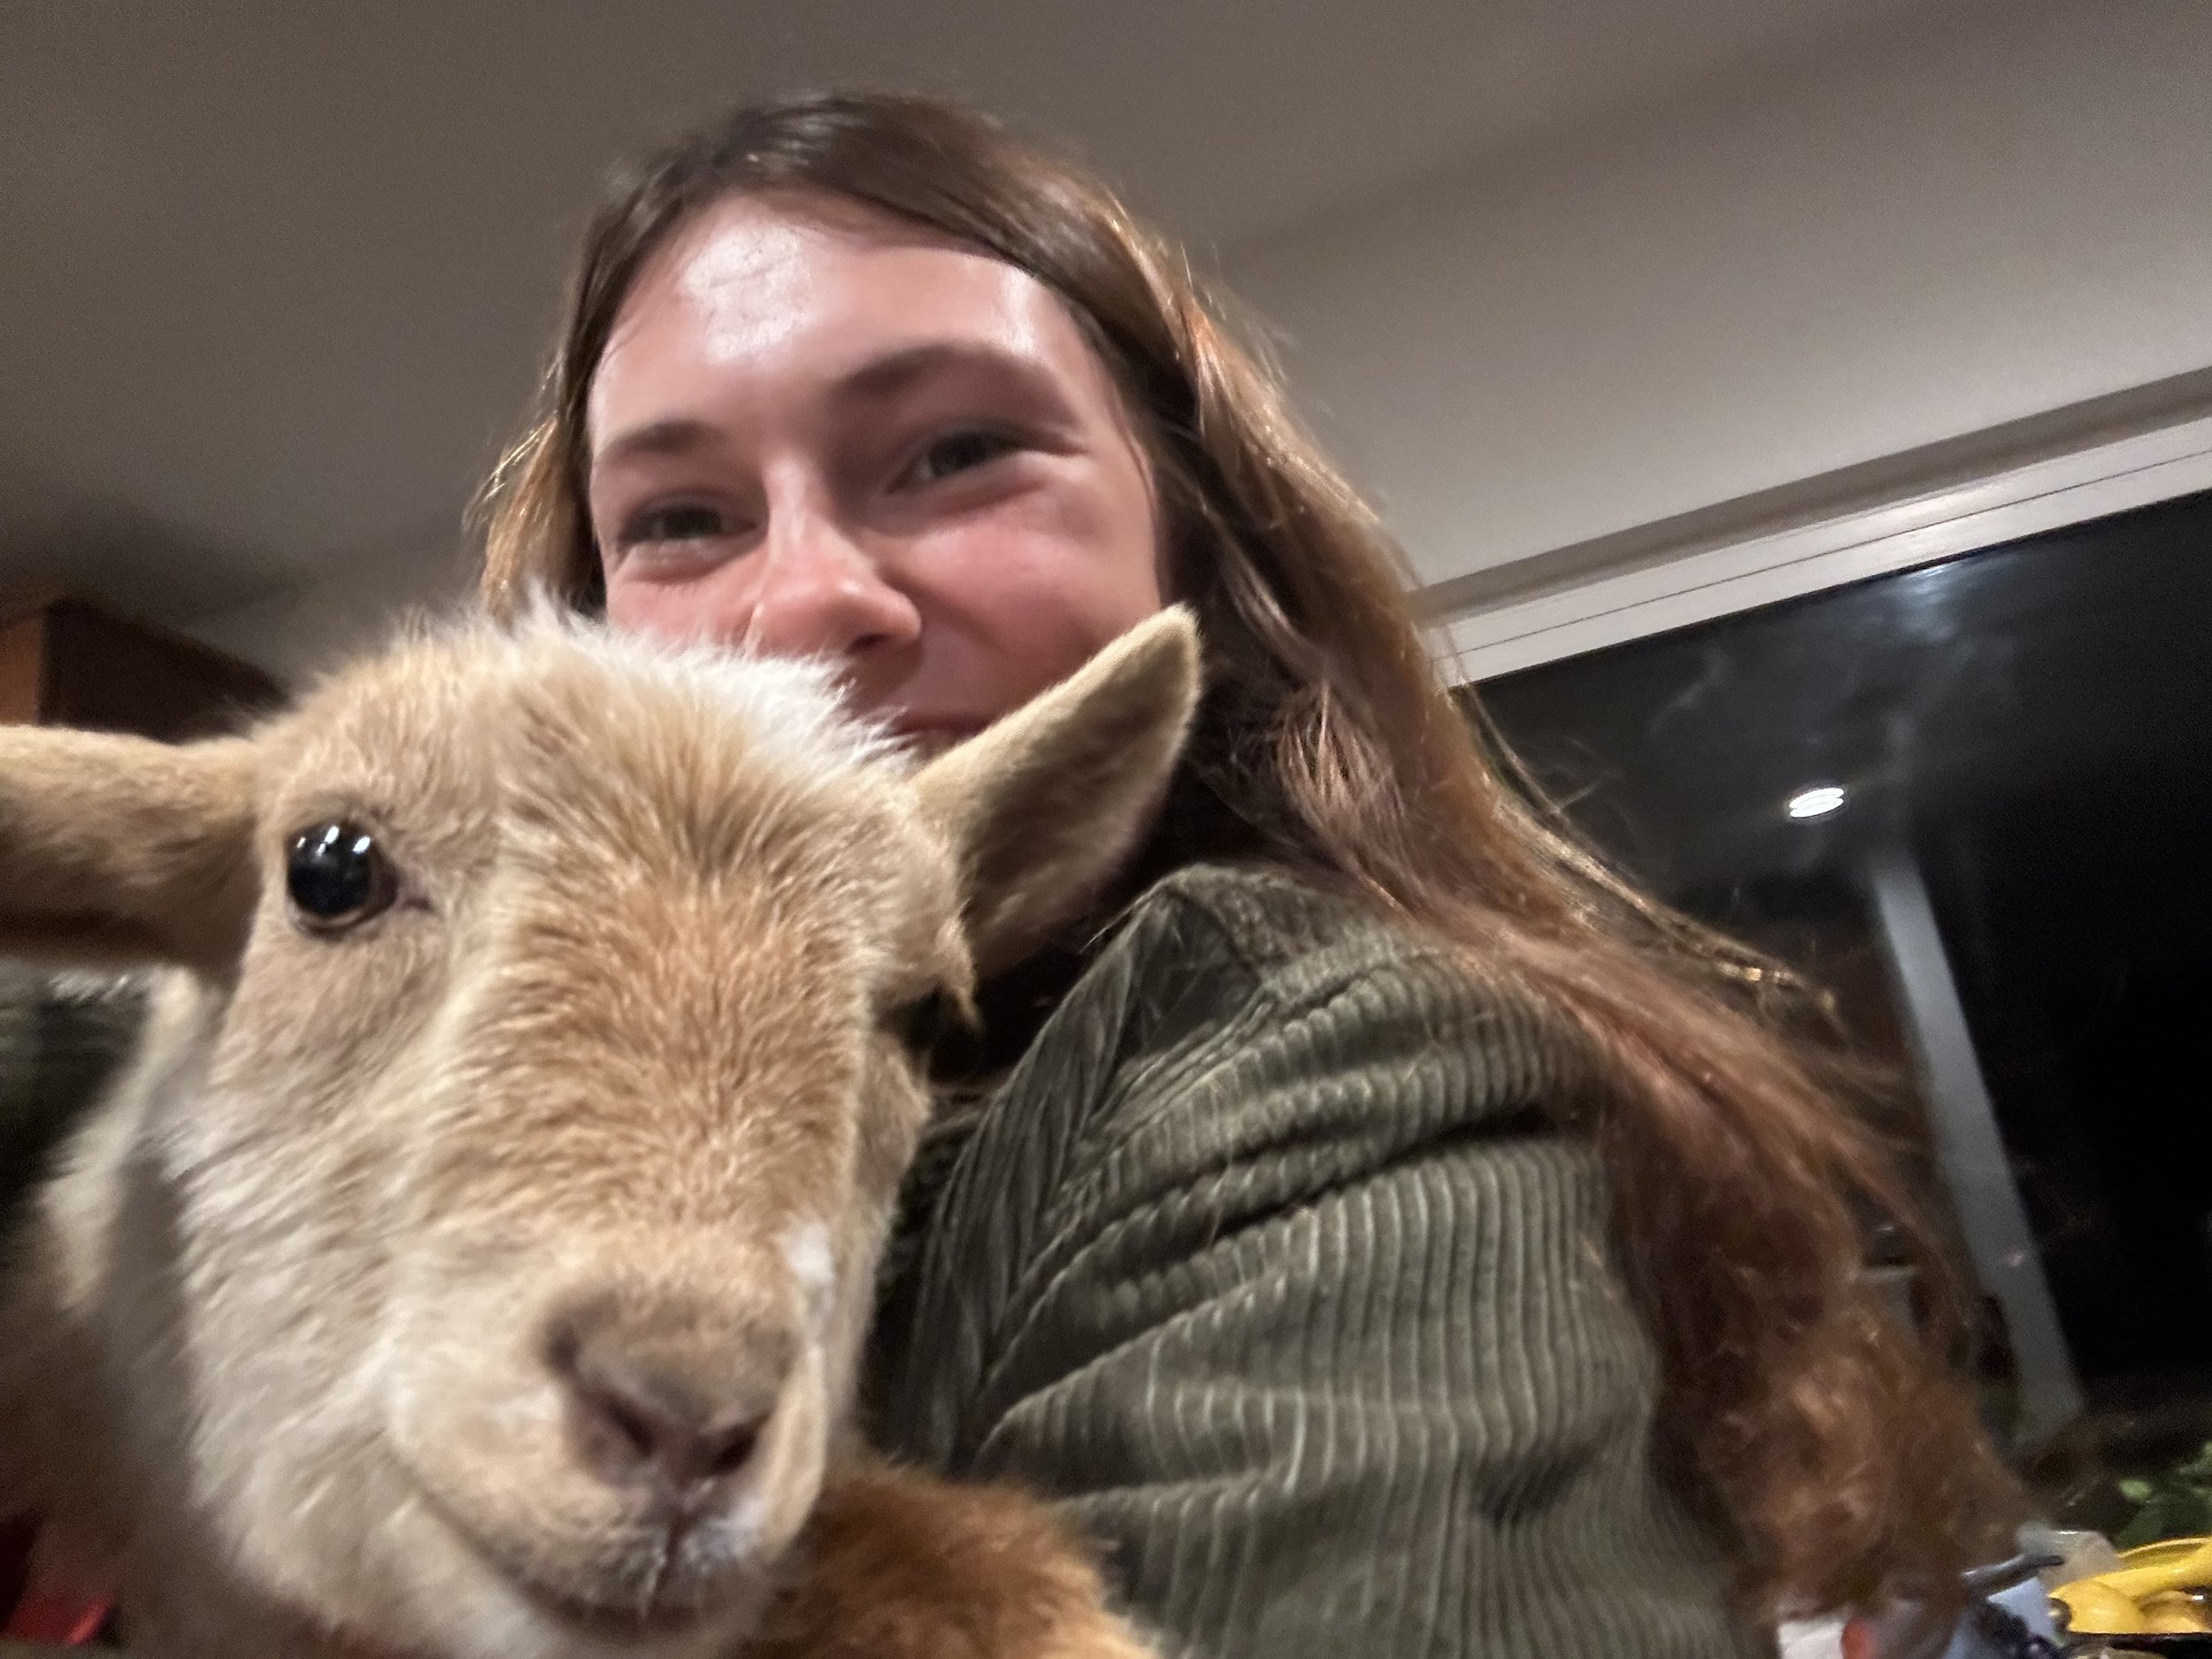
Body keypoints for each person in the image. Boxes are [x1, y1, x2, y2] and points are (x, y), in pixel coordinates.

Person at [0, 91, 2014, 1658]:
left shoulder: (1317, 1078)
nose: (802, 605)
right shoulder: (300, 1007)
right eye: (681, 515)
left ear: (1190, 541)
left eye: (954, 451)